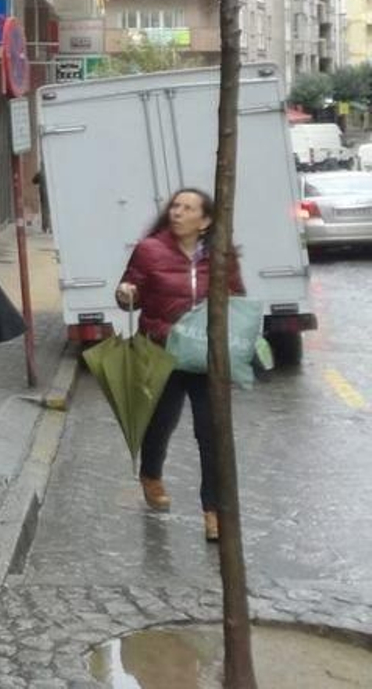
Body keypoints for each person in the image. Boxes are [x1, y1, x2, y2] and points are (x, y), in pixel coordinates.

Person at [115, 187, 240, 544]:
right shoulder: (150, 250)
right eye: (175, 206)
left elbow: (237, 295)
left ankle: (212, 511)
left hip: (206, 358)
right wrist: (126, 294)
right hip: (162, 353)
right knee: (159, 424)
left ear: (206, 221)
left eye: (188, 208)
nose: (178, 212)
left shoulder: (221, 255)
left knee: (211, 433)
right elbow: (128, 296)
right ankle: (150, 473)